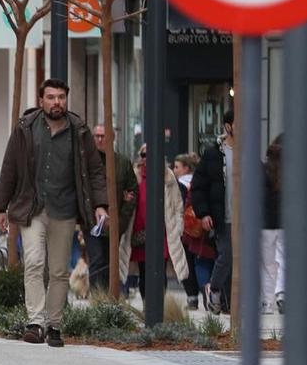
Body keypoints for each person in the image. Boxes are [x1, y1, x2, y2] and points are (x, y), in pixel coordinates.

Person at [0, 78, 108, 347]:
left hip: (65, 209)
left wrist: (100, 204)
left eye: (61, 97)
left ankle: (54, 325)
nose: (57, 102)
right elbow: (10, 167)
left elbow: (94, 171)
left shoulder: (79, 131)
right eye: (51, 97)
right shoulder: (25, 128)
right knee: (33, 262)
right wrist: (1, 207)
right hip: (32, 207)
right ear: (41, 100)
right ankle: (35, 322)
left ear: (66, 100)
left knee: (58, 270)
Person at [127, 144, 190, 306]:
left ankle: (159, 308)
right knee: (144, 272)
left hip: (162, 233)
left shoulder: (167, 176)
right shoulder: (134, 176)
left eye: (150, 154)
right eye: (143, 154)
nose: (146, 158)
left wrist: (178, 228)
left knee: (160, 272)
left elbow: (177, 205)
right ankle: (148, 308)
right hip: (140, 233)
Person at [189, 109, 234, 313]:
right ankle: (213, 289)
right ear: (228, 126)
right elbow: (199, 186)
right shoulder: (213, 153)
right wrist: (204, 213)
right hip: (221, 215)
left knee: (241, 260)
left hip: (244, 218)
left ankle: (228, 303)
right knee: (226, 255)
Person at [85, 124, 138, 296]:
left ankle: (109, 299)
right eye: (96, 136)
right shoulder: (86, 162)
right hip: (92, 222)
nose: (100, 139)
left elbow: (132, 192)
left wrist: (122, 219)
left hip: (115, 223)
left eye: (103, 135)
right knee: (97, 258)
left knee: (111, 261)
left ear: (112, 138)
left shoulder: (122, 163)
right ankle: (97, 299)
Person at [176, 154, 217, 307]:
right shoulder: (215, 179)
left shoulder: (189, 183)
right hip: (211, 225)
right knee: (210, 261)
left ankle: (202, 291)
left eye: (177, 166)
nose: (175, 170)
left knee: (198, 262)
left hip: (194, 228)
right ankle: (211, 291)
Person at [261, 135, 285, 314]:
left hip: (266, 224)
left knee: (267, 264)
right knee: (283, 260)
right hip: (285, 223)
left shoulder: (263, 173)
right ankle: (281, 294)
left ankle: (268, 301)